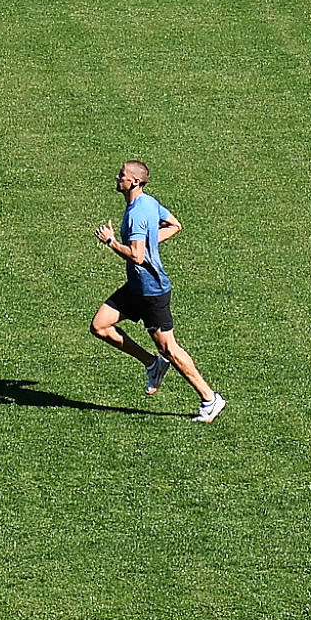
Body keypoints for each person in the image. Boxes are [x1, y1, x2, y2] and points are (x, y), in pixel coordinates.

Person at [91, 159, 223, 423]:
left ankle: (210, 399)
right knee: (100, 326)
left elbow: (137, 256)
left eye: (122, 175)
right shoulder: (149, 203)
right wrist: (151, 240)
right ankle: (152, 364)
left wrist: (111, 242)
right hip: (135, 288)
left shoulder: (137, 214)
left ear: (134, 181)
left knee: (170, 349)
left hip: (152, 292)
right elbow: (174, 225)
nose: (117, 177)